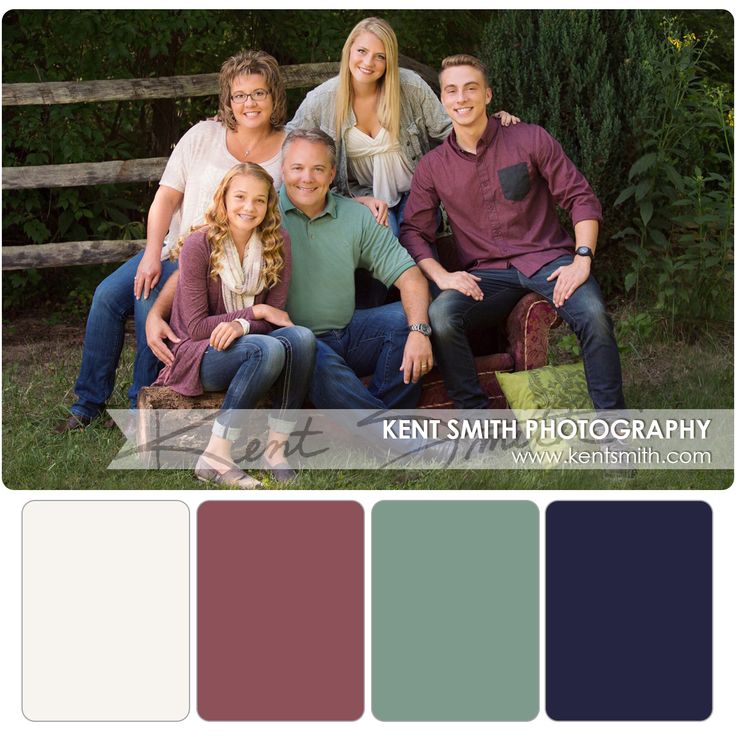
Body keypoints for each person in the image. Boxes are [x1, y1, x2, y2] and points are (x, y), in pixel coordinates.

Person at [56, 49, 289, 432]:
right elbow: (166, 197)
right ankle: (88, 403)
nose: (249, 103)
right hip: (170, 247)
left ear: (274, 95)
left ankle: (141, 408)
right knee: (107, 296)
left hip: (216, 261)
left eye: (259, 93)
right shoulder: (203, 135)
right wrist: (151, 253)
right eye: (239, 95)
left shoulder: (286, 147)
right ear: (228, 100)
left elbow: (314, 182)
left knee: (150, 304)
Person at [148, 128, 434, 411]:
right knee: (305, 345)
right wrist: (156, 314)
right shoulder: (259, 213)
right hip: (292, 339)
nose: (306, 178)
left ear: (332, 174)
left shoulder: (355, 216)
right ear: (282, 170)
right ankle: (389, 436)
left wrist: (419, 331)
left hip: (348, 331)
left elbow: (410, 277)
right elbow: (200, 265)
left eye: (318, 169)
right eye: (297, 168)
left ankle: (382, 425)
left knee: (407, 319)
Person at [399, 54, 625, 411]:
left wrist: (583, 259)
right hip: (487, 275)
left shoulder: (528, 138)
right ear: (442, 101)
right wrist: (441, 276)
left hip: (548, 260)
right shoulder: (433, 167)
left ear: (488, 95)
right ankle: (478, 421)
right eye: (452, 91)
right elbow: (413, 231)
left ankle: (614, 431)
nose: (461, 98)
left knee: (594, 316)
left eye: (470, 88)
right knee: (442, 315)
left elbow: (580, 197)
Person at [287, 16, 518, 306]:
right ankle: (365, 319)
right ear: (348, 50)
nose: (368, 62)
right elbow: (287, 140)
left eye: (379, 56)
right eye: (362, 51)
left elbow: (450, 128)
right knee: (383, 235)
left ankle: (443, 316)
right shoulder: (323, 99)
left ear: (390, 60)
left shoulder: (409, 87)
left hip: (416, 191)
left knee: (412, 236)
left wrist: (491, 124)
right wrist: (229, 125)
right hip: (359, 197)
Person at [154, 163, 315, 489]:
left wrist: (244, 326)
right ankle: (216, 456)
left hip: (246, 342)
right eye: (240, 197)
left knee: (301, 338)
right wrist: (253, 312)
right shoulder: (199, 245)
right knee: (266, 348)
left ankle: (275, 452)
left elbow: (278, 318)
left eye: (259, 200)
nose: (249, 207)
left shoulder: (278, 242)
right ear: (223, 199)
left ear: (269, 204)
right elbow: (198, 327)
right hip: (198, 353)